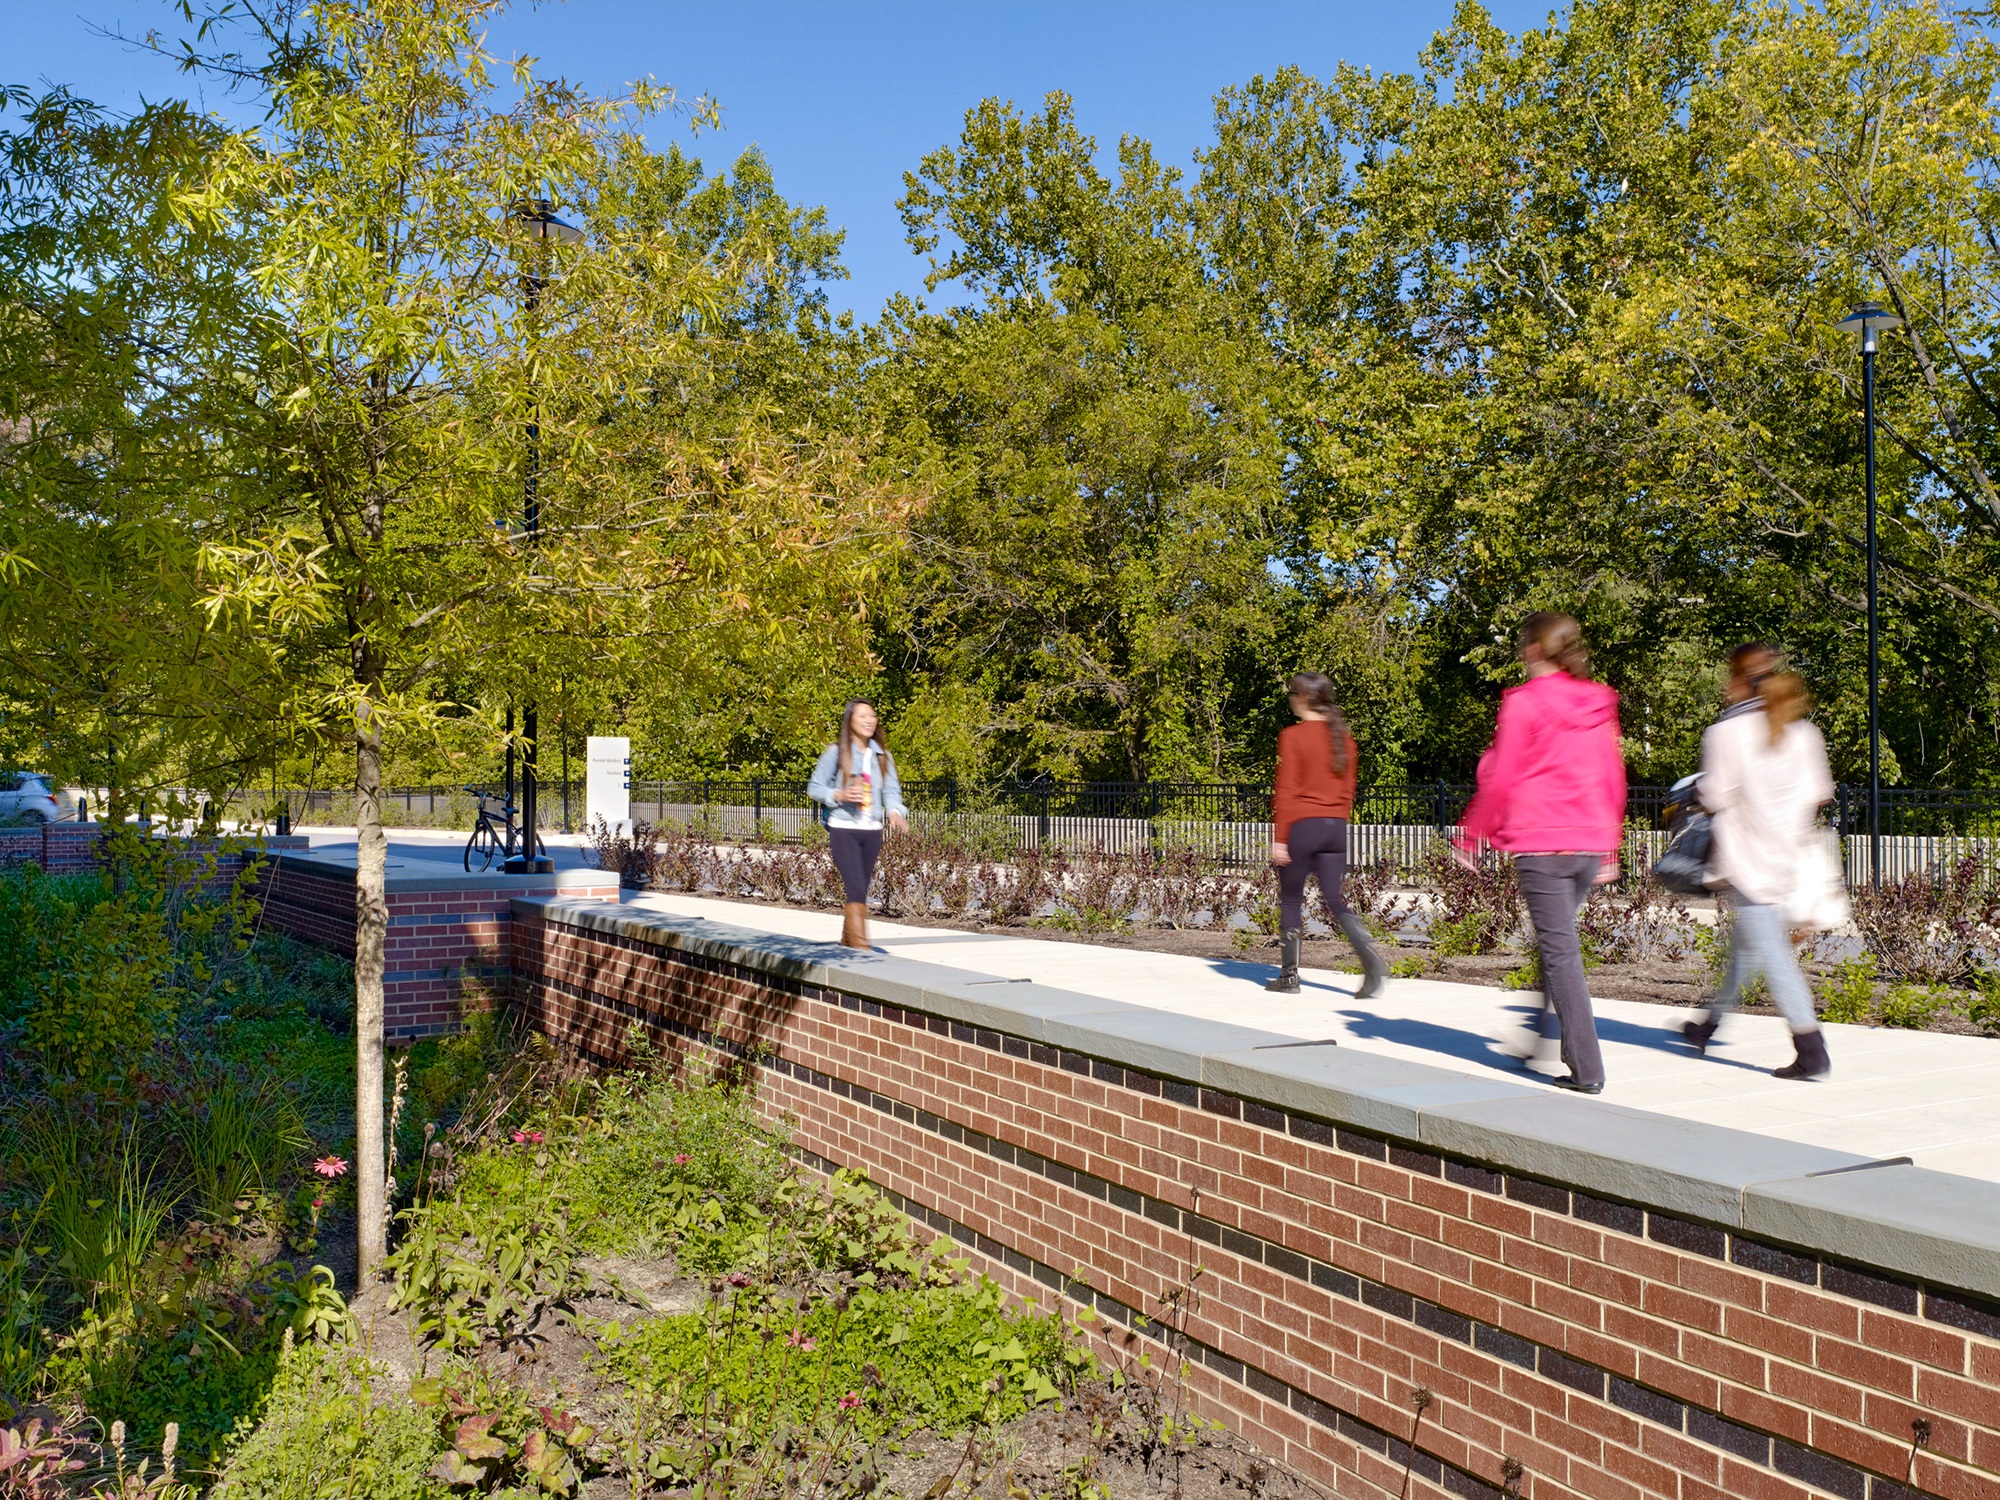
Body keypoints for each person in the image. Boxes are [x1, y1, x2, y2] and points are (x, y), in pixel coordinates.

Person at [1456, 613, 1627, 1094]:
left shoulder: (1523, 704)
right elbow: (1611, 773)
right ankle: (1542, 1042)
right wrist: (1609, 845)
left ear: (1532, 650)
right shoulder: (1598, 701)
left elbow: (1504, 773)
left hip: (1541, 842)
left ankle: (1587, 1069)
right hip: (1587, 842)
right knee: (1557, 948)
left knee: (1560, 954)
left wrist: (1471, 834)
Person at [1684, 665, 1836, 1080]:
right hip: (1788, 858)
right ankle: (1706, 1026)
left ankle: (1811, 1049)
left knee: (1773, 956)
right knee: (1746, 951)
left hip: (1748, 861)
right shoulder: (1805, 733)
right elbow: (1820, 792)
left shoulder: (1728, 734)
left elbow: (1715, 795)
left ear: (1741, 686)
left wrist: (1700, 792)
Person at [1265, 672, 1387, 999]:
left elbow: (1287, 791)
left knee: (1291, 899)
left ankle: (1289, 978)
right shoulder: (1344, 739)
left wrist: (1280, 838)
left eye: (1293, 694)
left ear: (1303, 699)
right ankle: (1369, 958)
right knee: (1335, 898)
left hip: (1302, 827)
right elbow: (1348, 792)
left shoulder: (1292, 736)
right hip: (1335, 828)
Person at [807, 701, 909, 950]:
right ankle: (861, 946)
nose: (869, 720)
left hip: (872, 830)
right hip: (844, 827)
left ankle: (847, 941)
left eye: (872, 715)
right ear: (850, 720)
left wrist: (895, 812)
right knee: (855, 885)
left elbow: (892, 790)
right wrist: (839, 795)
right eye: (863, 715)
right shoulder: (836, 752)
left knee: (861, 887)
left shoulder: (883, 756)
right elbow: (814, 787)